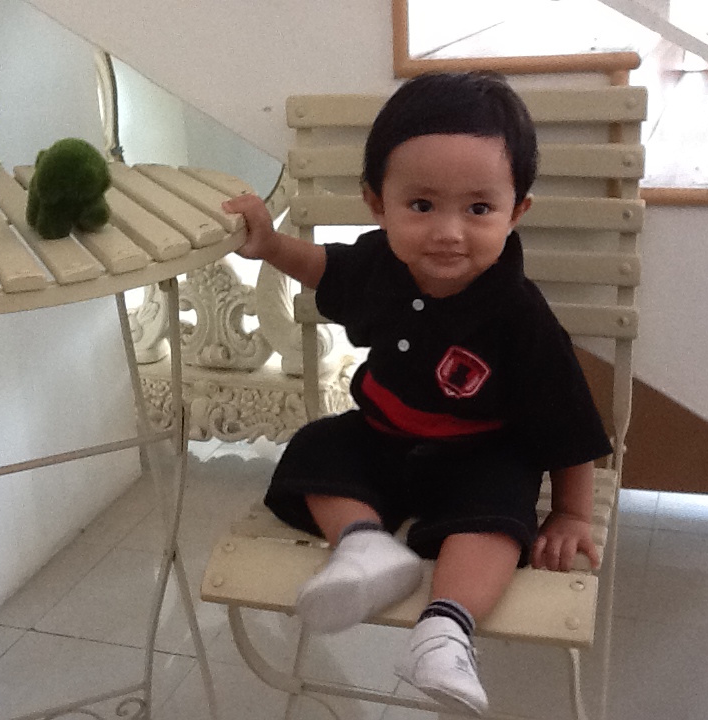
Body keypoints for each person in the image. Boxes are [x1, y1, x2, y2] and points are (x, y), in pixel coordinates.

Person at [221, 71, 612, 716]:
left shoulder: (520, 316)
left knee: (498, 519)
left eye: (478, 209)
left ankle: (445, 631)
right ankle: (366, 547)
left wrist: (570, 513)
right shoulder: (380, 262)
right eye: (422, 205)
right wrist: (268, 246)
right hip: (381, 437)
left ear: (516, 212)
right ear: (378, 204)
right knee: (317, 447)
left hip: (482, 453)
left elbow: (568, 423)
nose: (448, 232)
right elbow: (323, 267)